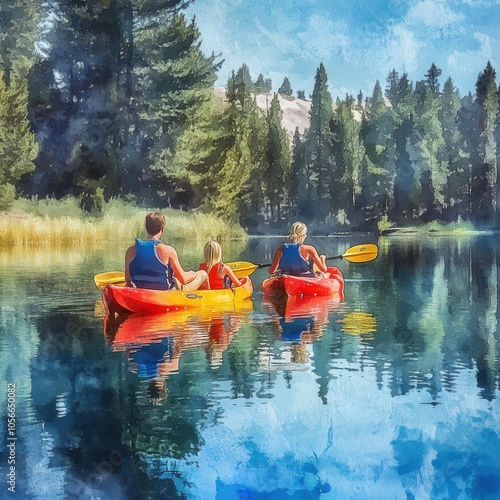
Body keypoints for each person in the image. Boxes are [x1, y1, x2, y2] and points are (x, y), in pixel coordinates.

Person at [125, 211, 207, 290]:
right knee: (203, 274)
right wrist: (193, 273)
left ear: (147, 228)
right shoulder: (168, 251)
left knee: (175, 279)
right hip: (165, 295)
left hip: (142, 293)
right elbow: (183, 279)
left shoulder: (131, 250)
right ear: (162, 229)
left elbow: (128, 280)